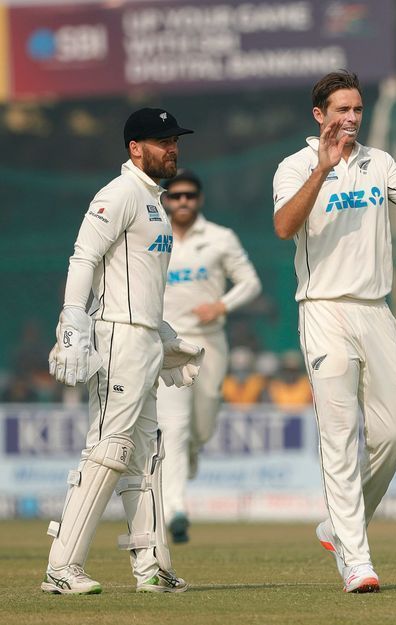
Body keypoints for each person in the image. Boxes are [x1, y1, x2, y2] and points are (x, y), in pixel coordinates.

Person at [272, 69, 396, 593]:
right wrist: (322, 170)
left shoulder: (380, 163)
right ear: (319, 115)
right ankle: (356, 559)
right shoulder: (295, 165)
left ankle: (337, 526)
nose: (351, 119)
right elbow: (284, 227)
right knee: (340, 436)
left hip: (376, 309)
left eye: (357, 110)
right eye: (342, 110)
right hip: (323, 309)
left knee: (395, 434)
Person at [42, 108, 203, 594]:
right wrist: (73, 321)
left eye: (175, 141)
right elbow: (84, 258)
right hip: (116, 338)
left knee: (145, 455)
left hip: (143, 338)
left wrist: (164, 335)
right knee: (109, 448)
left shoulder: (154, 201)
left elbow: (140, 285)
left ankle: (151, 566)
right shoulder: (118, 195)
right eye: (162, 141)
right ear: (135, 148)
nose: (172, 149)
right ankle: (61, 567)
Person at [157, 169, 262, 544]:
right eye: (175, 195)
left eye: (189, 195)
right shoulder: (152, 236)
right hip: (167, 345)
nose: (182, 201)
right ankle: (175, 509)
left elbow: (250, 282)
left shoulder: (220, 238)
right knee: (174, 426)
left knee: (201, 425)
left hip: (209, 343)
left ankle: (192, 453)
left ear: (198, 199)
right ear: (165, 199)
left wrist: (221, 305)